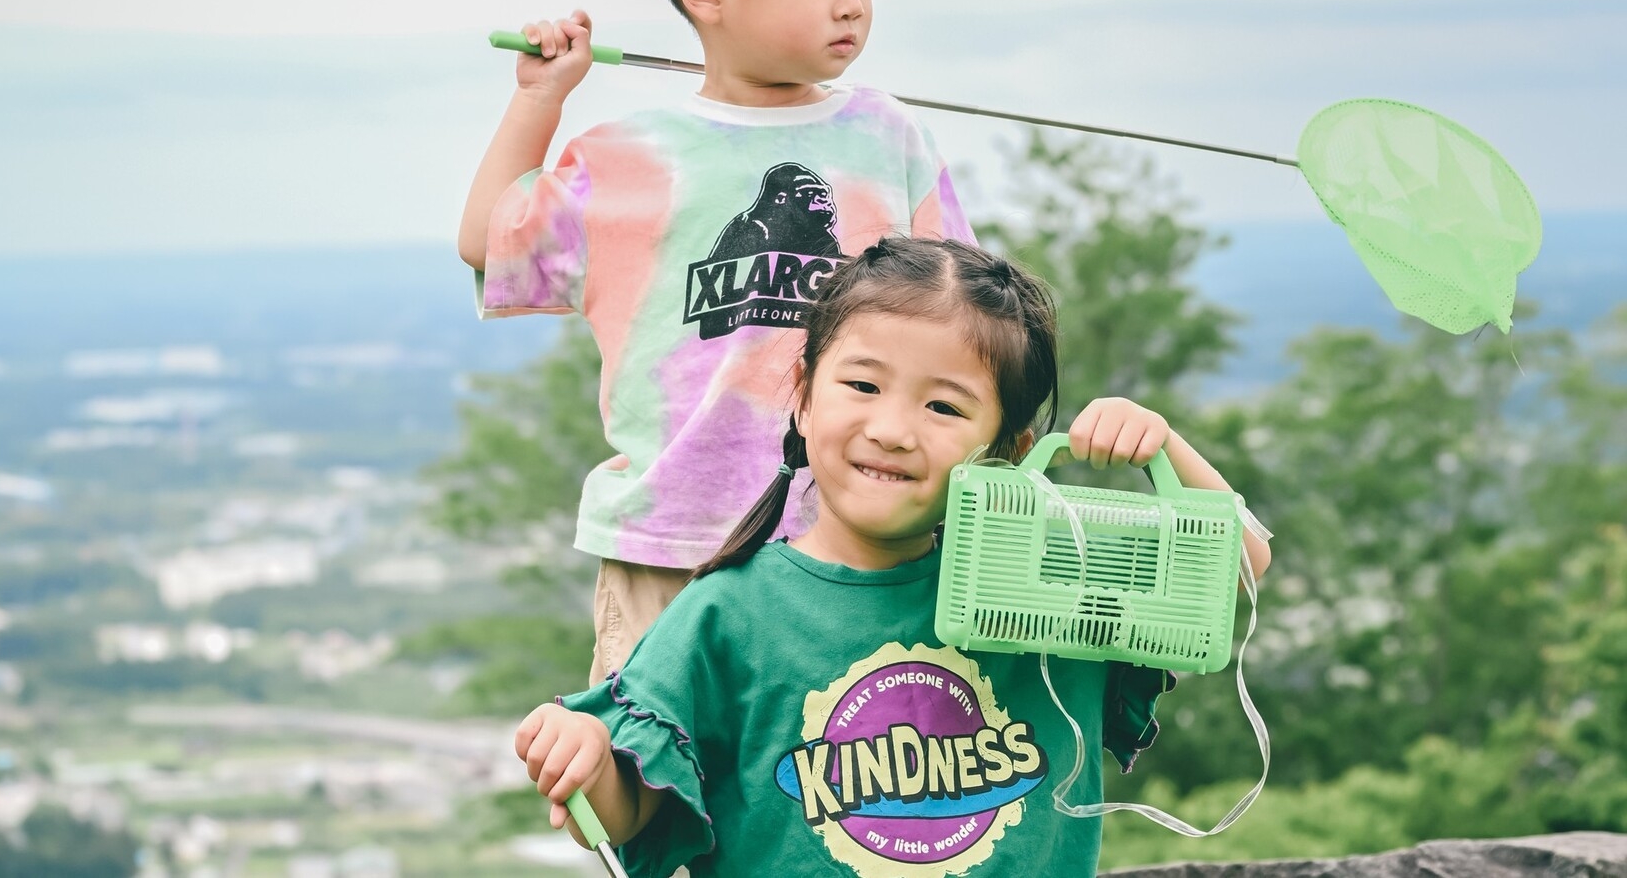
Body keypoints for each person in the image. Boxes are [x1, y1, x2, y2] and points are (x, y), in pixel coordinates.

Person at [513, 237, 1273, 877]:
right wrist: (587, 758)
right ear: (805, 397)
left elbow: (1242, 565)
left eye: (944, 406)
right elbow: (627, 812)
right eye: (863, 384)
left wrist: (1163, 444)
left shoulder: (1046, 578)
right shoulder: (726, 614)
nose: (893, 428)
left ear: (1006, 450)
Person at [457, 0, 972, 687]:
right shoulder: (625, 158)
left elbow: (968, 320)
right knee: (657, 783)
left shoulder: (889, 139)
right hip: (672, 541)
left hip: (857, 537)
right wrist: (542, 98)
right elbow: (490, 239)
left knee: (834, 784)